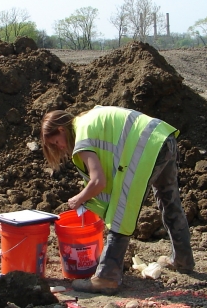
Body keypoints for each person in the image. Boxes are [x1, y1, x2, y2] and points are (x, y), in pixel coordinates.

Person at [41, 106, 195, 294]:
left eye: (57, 142)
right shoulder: (87, 120)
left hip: (146, 147)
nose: (61, 147)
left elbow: (98, 181)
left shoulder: (82, 136)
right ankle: (183, 259)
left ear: (62, 130)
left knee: (121, 211)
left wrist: (79, 199)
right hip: (162, 138)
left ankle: (107, 277)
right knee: (169, 201)